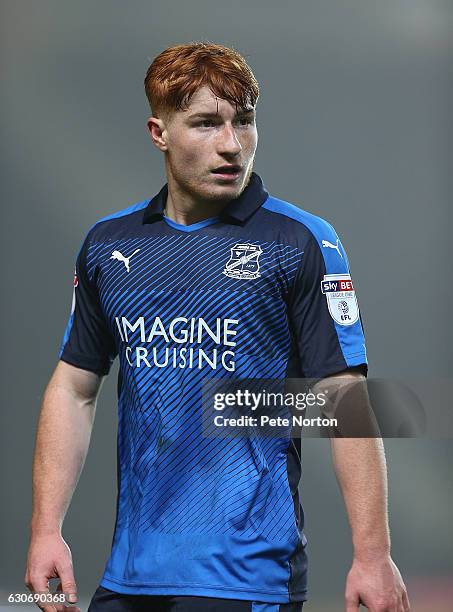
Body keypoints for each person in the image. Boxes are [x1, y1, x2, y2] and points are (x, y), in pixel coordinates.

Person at [25, 42, 410, 612]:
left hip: (247, 578)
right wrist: (44, 530)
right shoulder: (110, 245)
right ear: (159, 132)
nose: (232, 144)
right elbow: (75, 387)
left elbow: (342, 397)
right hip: (129, 577)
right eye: (206, 123)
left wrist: (373, 557)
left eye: (244, 121)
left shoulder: (299, 241)